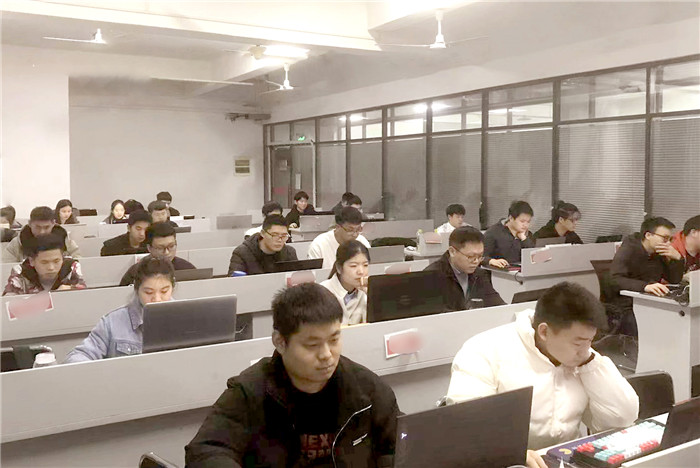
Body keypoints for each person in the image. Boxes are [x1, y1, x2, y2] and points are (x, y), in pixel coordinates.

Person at [185, 283, 400, 467]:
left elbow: (398, 446)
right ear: (280, 342)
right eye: (312, 345)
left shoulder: (365, 388)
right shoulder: (250, 392)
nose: (327, 355)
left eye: (334, 340)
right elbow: (205, 451)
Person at [445, 282, 639, 455]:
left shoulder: (583, 359)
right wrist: (512, 452)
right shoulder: (485, 349)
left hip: (565, 457)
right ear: (544, 332)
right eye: (578, 342)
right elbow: (470, 425)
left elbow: (621, 419)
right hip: (507, 460)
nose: (585, 350)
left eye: (590, 341)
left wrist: (592, 365)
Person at [64, 258, 174, 362]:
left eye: (164, 291)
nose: (157, 299)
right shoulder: (112, 322)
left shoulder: (182, 318)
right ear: (137, 289)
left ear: (172, 287)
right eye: (148, 292)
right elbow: (79, 356)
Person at [610, 217, 685, 335]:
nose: (668, 243)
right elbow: (615, 280)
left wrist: (677, 259)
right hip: (626, 304)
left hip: (650, 300)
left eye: (671, 239)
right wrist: (645, 286)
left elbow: (674, 280)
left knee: (678, 318)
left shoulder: (658, 252)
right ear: (648, 235)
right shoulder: (629, 249)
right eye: (665, 238)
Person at [424, 227, 505, 311]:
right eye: (471, 256)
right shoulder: (432, 276)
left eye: (480, 256)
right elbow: (432, 312)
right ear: (452, 251)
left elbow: (496, 302)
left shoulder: (479, 274)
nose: (476, 261)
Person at [3, 234, 86, 296]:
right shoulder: (20, 272)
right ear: (32, 261)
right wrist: (53, 296)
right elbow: (7, 304)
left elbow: (84, 294)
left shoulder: (71, 268)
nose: (51, 268)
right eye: (44, 262)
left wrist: (71, 289)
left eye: (56, 261)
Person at [119, 222, 195, 286]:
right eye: (160, 248)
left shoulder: (188, 269)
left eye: (171, 246)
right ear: (149, 248)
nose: (167, 252)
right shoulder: (136, 273)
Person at [3, 206, 81, 262]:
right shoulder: (17, 243)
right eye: (37, 227)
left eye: (46, 227)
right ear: (30, 223)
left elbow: (78, 259)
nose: (42, 232)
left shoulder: (64, 238)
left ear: (53, 223)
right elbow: (7, 267)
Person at [227, 214, 298, 275]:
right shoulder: (242, 253)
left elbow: (296, 280)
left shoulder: (289, 252)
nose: (279, 240)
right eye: (274, 235)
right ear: (263, 233)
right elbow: (235, 283)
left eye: (284, 236)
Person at [320, 240, 370, 325]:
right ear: (339, 268)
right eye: (353, 266)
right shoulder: (322, 292)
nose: (361, 272)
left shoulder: (365, 292)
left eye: (365, 265)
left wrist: (370, 296)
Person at [483, 200, 535, 268]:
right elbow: (481, 257)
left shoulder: (528, 234)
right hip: (499, 271)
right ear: (511, 218)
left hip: (521, 271)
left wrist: (524, 239)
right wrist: (491, 261)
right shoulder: (493, 232)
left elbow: (534, 258)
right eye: (522, 221)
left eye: (528, 222)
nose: (525, 225)